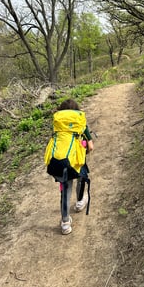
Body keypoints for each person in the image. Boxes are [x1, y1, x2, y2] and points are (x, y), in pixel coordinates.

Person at [44, 99, 94, 235]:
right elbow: (90, 146)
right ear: (76, 111)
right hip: (75, 161)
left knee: (65, 189)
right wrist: (84, 152)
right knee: (82, 175)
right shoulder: (80, 123)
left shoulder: (57, 124)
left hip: (58, 161)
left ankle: (65, 223)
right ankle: (79, 202)